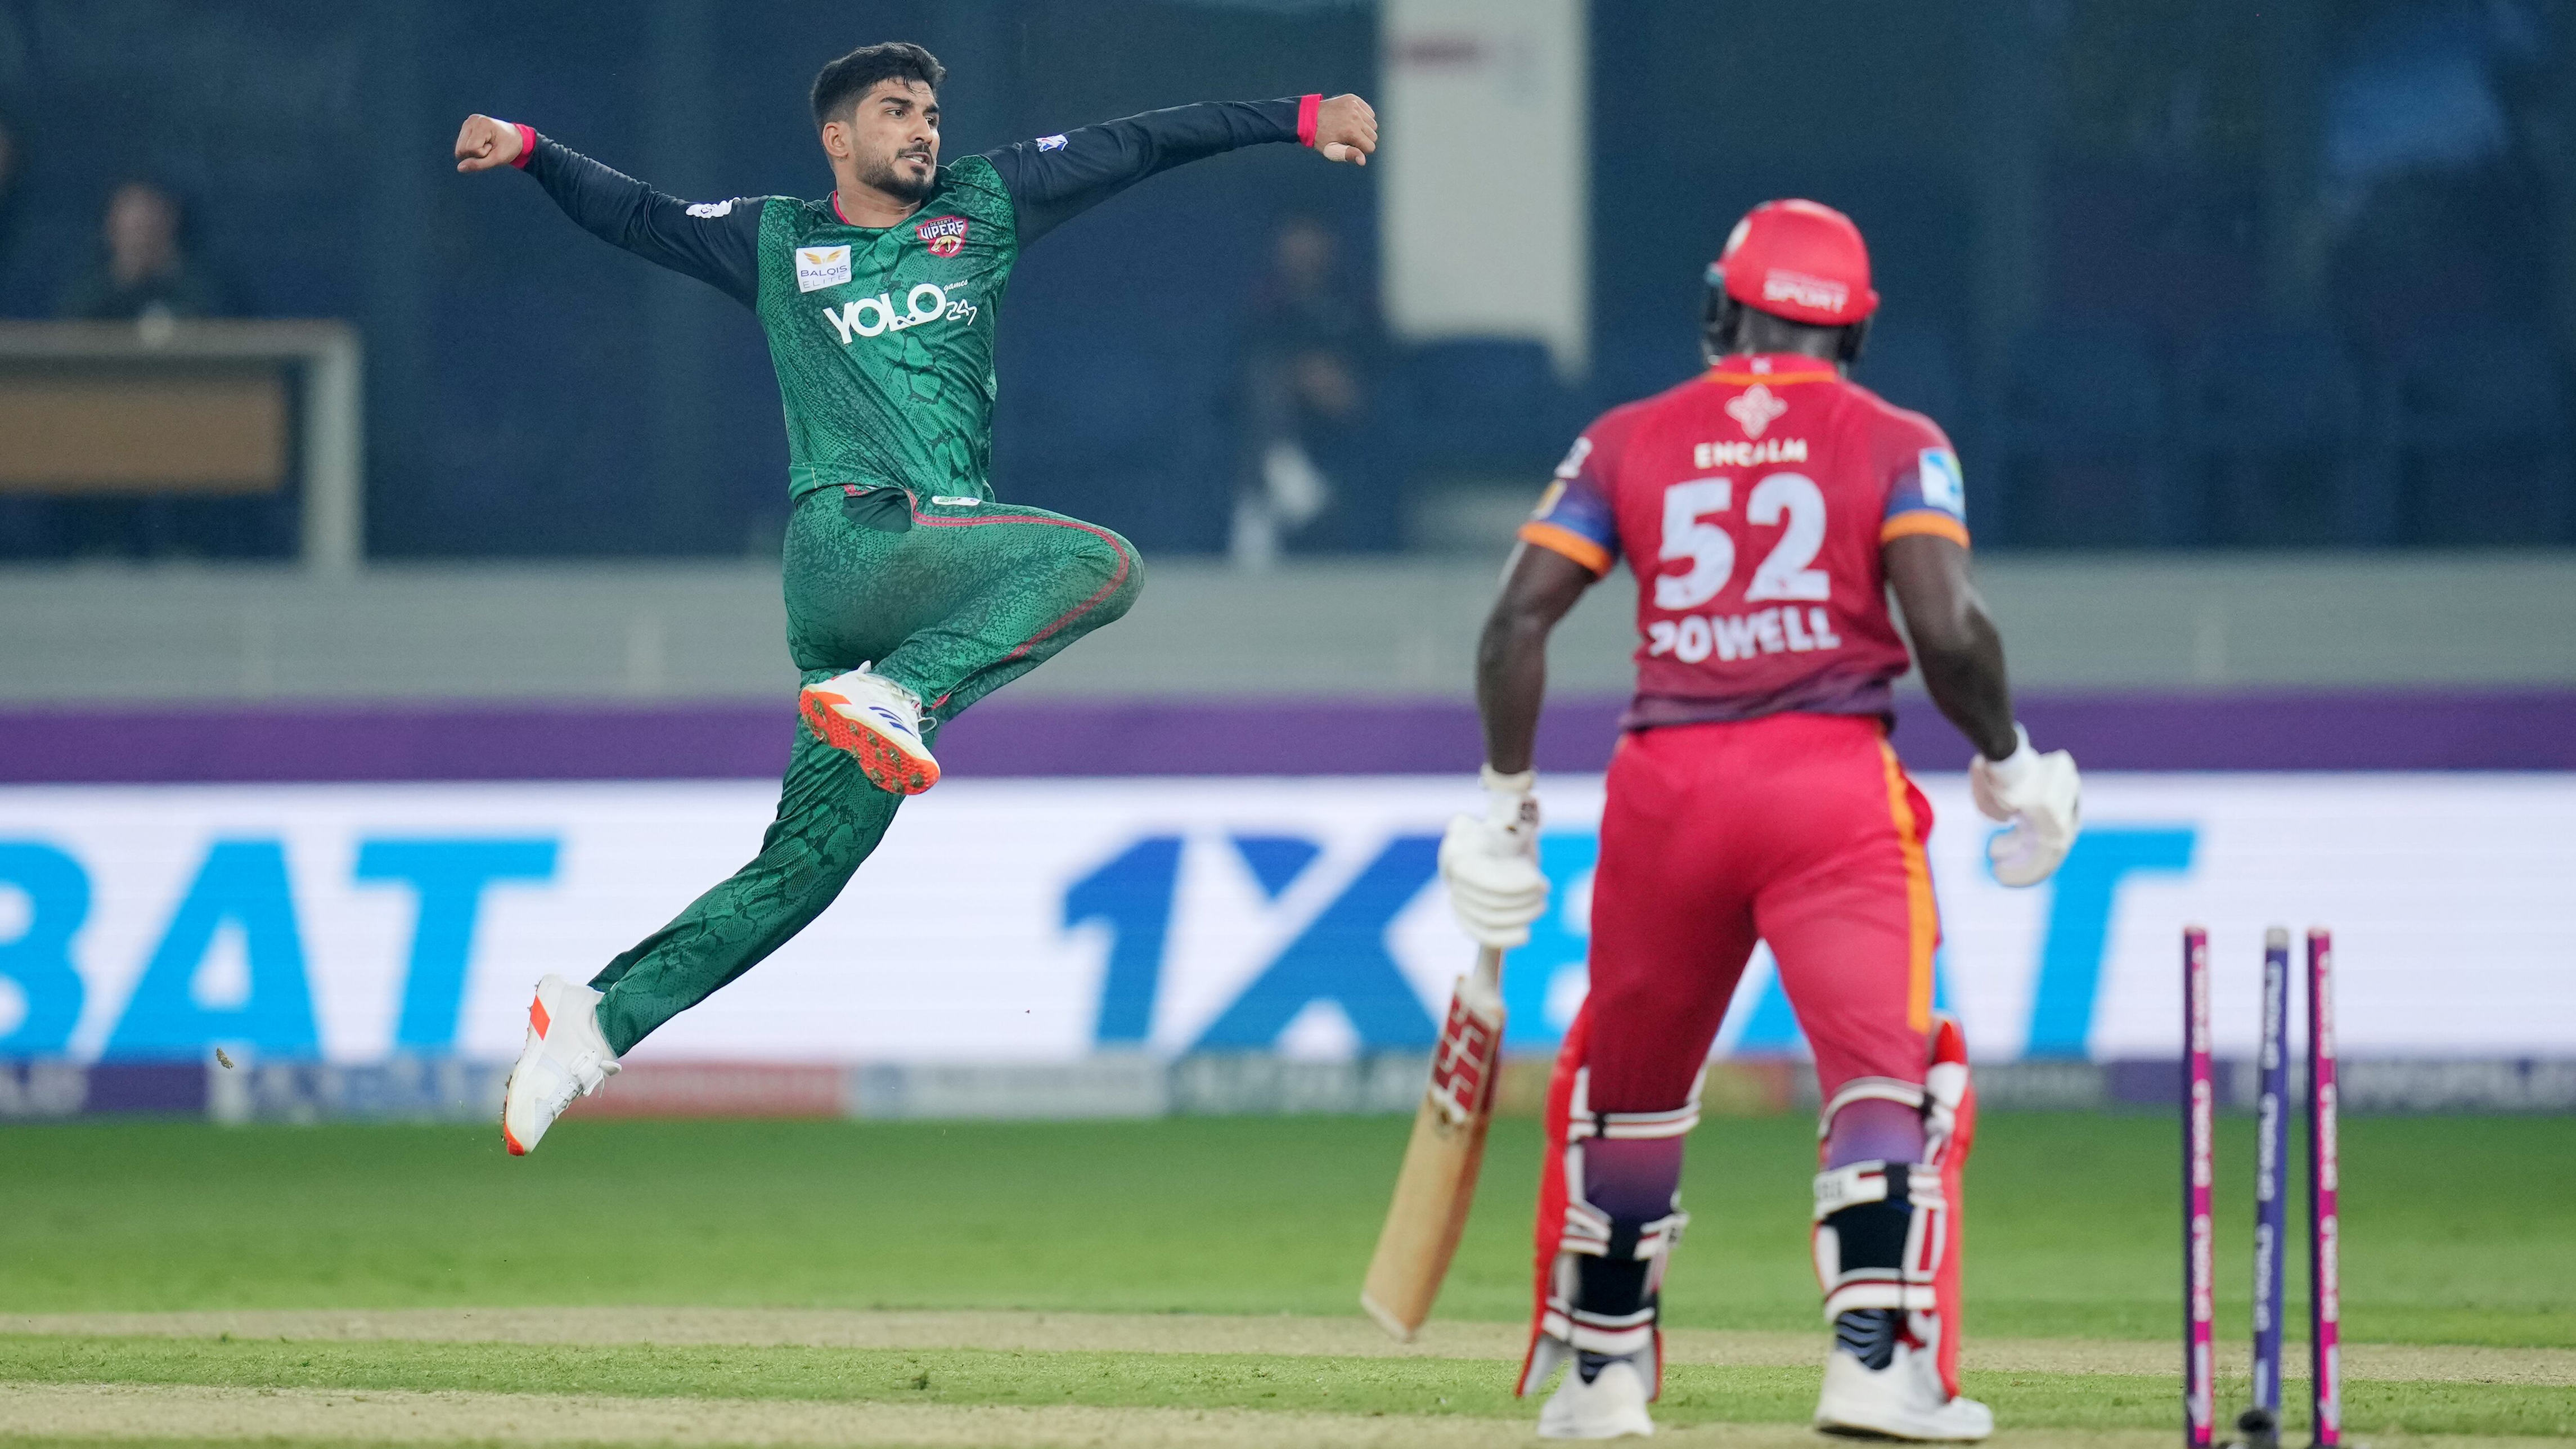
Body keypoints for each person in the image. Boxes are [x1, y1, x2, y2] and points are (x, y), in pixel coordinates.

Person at [453, 43, 1375, 1155]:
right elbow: (640, 216)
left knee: (802, 872)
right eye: (896, 110)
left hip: (920, 595)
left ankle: (595, 1021)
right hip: (852, 544)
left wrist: (1300, 115)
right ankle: (900, 694)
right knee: (1105, 565)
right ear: (837, 138)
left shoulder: (983, 203)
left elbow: (1139, 145)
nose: (924, 129)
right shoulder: (778, 240)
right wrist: (532, 149)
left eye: (931, 112)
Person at [1438, 200, 2081, 1441]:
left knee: (1627, 1092)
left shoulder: (1626, 437)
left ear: (1720, 308)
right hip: (1826, 785)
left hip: (1664, 791)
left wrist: (1505, 803)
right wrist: (2009, 761)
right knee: (1887, 1074)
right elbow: (1947, 632)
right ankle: (1874, 1363)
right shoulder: (1897, 440)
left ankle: (1601, 1376)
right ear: (1855, 329)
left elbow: (1515, 621)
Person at [1234, 214, 1387, 561]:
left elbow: (1376, 355)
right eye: (1295, 239)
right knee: (1263, 381)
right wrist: (1301, 373)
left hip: (1344, 400)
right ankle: (1284, 468)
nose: (1303, 250)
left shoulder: (1352, 299)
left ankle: (1267, 491)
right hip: (1280, 405)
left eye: (1311, 239)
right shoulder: (1265, 300)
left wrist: (1338, 376)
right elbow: (1247, 354)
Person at [57, 179, 228, 321]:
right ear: (111, 228)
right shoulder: (89, 300)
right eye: (135, 227)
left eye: (150, 225)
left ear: (170, 224)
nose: (143, 237)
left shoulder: (195, 296)